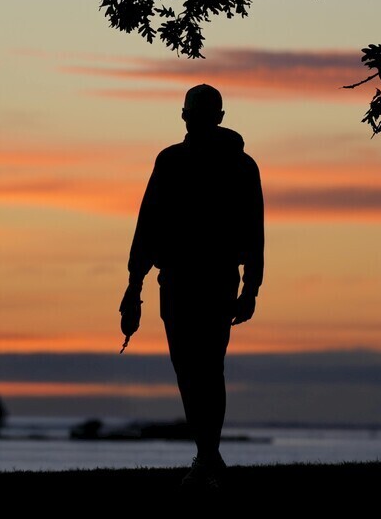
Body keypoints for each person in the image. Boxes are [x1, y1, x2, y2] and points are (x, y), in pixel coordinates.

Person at [119, 83, 264, 489]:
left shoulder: (242, 166)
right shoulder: (169, 162)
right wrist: (134, 285)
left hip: (217, 280)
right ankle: (208, 456)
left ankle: (206, 456)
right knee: (188, 369)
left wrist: (251, 286)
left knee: (208, 368)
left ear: (218, 117)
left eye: (203, 113)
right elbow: (148, 224)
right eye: (192, 112)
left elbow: (254, 230)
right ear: (183, 115)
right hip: (177, 280)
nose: (195, 119)